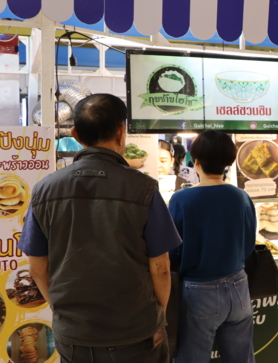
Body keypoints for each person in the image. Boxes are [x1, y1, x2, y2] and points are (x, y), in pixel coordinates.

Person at [18, 94, 181, 363]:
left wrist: (61, 312)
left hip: (75, 336)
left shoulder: (44, 190)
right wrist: (157, 316)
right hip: (136, 333)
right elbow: (161, 268)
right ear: (121, 132)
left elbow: (36, 269)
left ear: (75, 134)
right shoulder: (143, 188)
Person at [169, 130, 256, 363]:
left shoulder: (181, 199)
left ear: (196, 161)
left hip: (199, 291)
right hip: (239, 285)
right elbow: (249, 245)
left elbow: (172, 251)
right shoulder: (241, 196)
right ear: (229, 161)